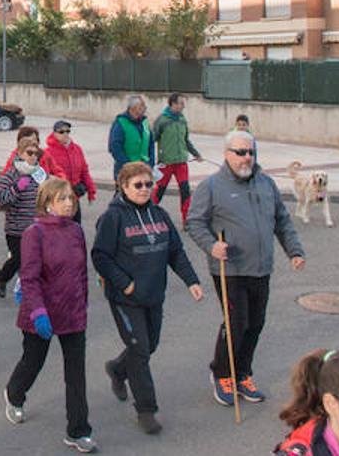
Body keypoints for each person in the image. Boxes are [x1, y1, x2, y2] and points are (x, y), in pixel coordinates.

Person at [187, 129, 305, 407]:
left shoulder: (266, 184)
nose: (246, 158)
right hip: (230, 269)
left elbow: (282, 220)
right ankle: (223, 373)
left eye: (251, 152)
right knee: (236, 323)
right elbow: (195, 222)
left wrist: (295, 251)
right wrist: (211, 246)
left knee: (255, 323)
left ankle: (243, 373)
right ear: (227, 154)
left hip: (261, 267)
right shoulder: (212, 187)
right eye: (240, 152)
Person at [90, 161, 202, 435]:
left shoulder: (160, 215)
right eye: (137, 185)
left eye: (148, 184)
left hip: (154, 295)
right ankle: (146, 409)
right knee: (140, 351)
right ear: (124, 186)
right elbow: (100, 256)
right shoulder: (113, 217)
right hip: (126, 299)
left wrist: (191, 281)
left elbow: (175, 251)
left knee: (150, 345)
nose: (144, 189)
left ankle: (117, 369)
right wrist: (124, 283)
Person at [3, 178, 96, 453]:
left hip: (72, 312)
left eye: (70, 198)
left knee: (76, 372)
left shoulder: (77, 231)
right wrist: (39, 312)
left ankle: (78, 430)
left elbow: (81, 273)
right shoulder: (35, 233)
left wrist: (83, 302)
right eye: (62, 199)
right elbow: (29, 277)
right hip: (41, 312)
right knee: (33, 361)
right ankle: (14, 394)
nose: (69, 203)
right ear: (47, 203)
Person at [0, 142, 48, 298]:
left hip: (37, 227)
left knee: (36, 261)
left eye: (36, 154)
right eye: (29, 153)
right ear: (20, 153)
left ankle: (32, 291)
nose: (33, 157)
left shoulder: (40, 174)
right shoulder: (11, 174)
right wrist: (16, 188)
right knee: (19, 259)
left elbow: (50, 195)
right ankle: (2, 277)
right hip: (16, 228)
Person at [152, 93, 202, 225]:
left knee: (185, 191)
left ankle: (187, 220)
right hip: (166, 163)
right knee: (159, 191)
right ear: (172, 104)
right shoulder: (161, 121)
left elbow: (185, 140)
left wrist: (196, 154)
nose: (183, 105)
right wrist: (150, 160)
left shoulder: (182, 120)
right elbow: (151, 140)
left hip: (181, 163)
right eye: (180, 103)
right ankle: (147, 214)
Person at [42, 120, 96, 219]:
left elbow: (84, 172)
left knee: (75, 228)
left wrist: (91, 192)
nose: (65, 134)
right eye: (61, 132)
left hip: (74, 197)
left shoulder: (77, 149)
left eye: (67, 131)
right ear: (54, 133)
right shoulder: (47, 152)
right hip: (57, 199)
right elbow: (45, 177)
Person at [108, 95, 157, 181]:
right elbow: (114, 147)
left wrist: (151, 163)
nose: (145, 108)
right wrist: (128, 165)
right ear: (133, 108)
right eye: (142, 106)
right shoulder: (120, 123)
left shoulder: (145, 123)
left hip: (144, 169)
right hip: (126, 171)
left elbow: (151, 144)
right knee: (124, 194)